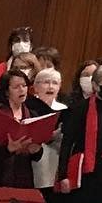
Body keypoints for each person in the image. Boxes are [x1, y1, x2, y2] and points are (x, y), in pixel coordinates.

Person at [54, 61, 102, 203]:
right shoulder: (81, 109)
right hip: (85, 175)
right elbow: (67, 143)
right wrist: (63, 176)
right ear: (95, 86)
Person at [0, 67, 46, 187]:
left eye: (24, 86)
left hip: (23, 176)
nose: (22, 90)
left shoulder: (32, 114)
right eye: (16, 87)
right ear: (6, 92)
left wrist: (36, 150)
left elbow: (37, 155)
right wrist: (8, 149)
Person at [31, 67, 66, 195]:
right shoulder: (29, 107)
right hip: (32, 161)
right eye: (46, 82)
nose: (50, 87)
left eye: (55, 83)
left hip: (53, 161)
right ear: (35, 86)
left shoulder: (64, 109)